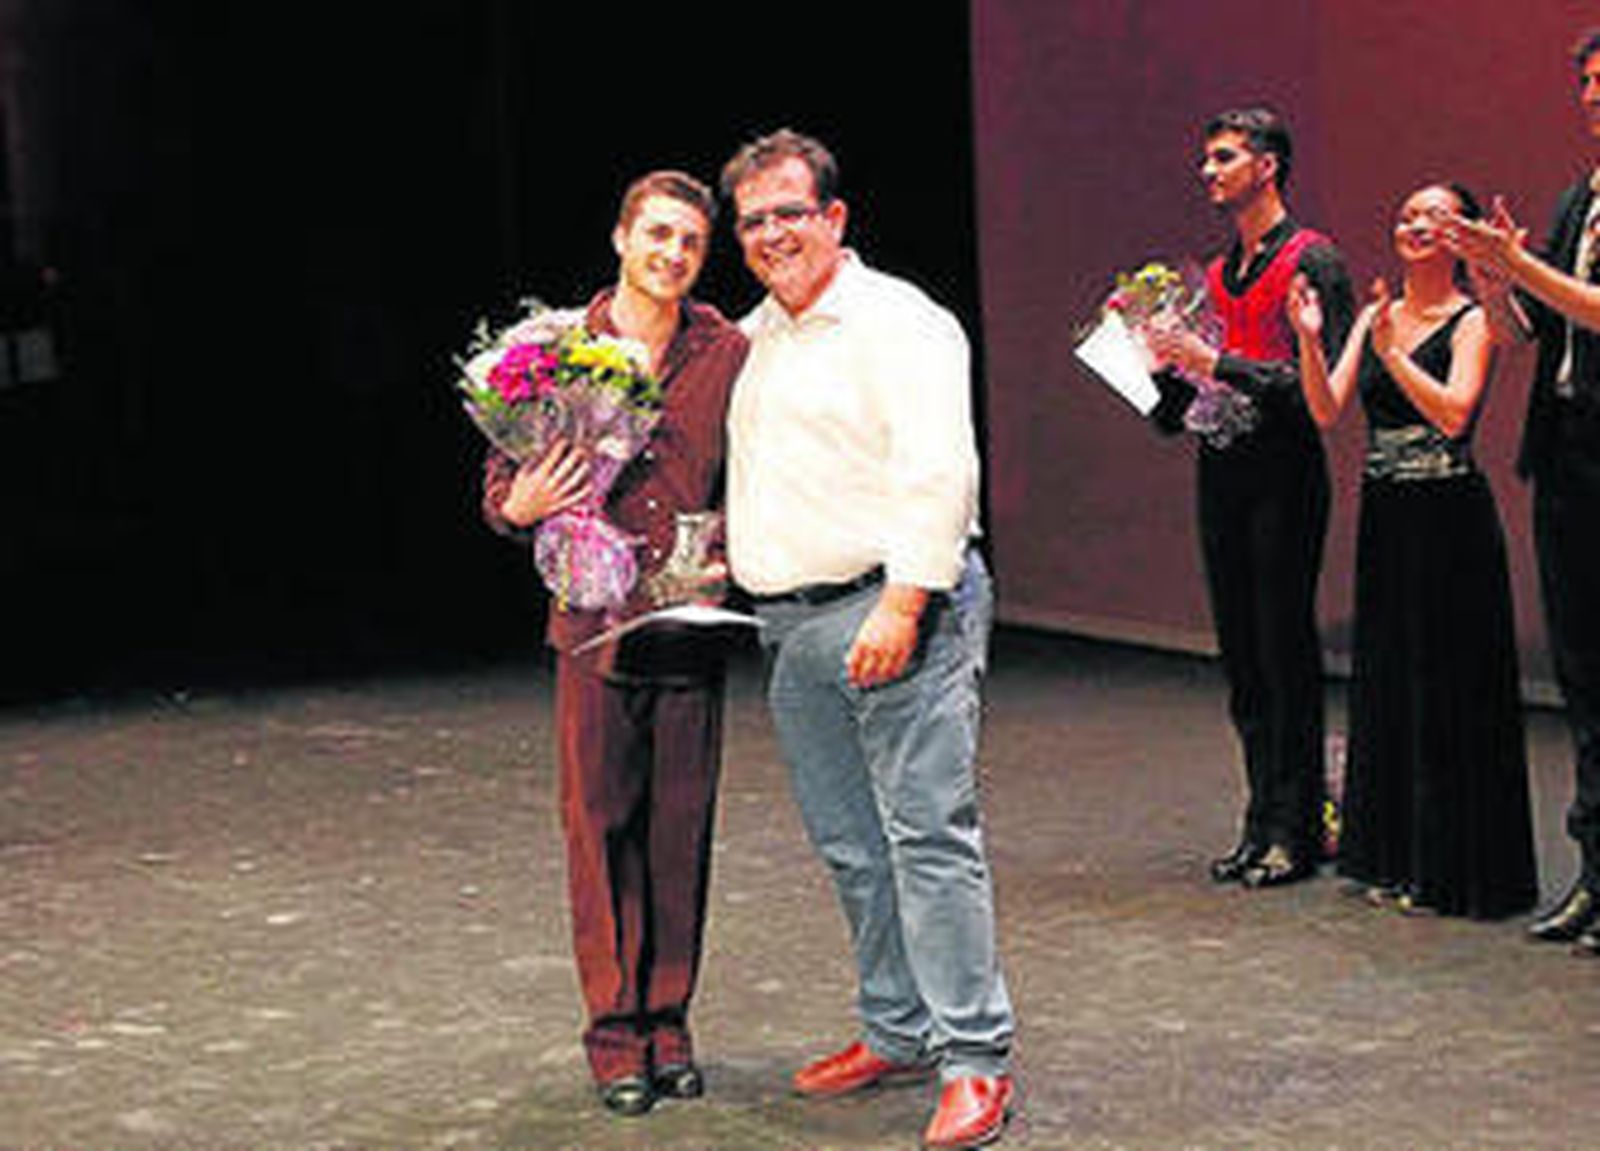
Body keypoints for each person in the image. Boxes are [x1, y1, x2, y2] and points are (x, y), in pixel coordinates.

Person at [720, 129, 1016, 1150]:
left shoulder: (901, 322)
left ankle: (975, 1057)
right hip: (789, 625)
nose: (770, 235)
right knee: (852, 845)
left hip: (894, 610)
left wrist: (903, 601)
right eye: (753, 220)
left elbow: (939, 468)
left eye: (789, 213)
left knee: (928, 835)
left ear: (835, 218)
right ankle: (896, 1026)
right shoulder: (750, 339)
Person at [480, 170, 748, 1113]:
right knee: (599, 829)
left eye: (690, 243)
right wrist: (517, 506)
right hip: (590, 622)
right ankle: (614, 1034)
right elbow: (502, 486)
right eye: (658, 235)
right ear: (622, 237)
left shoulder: (727, 349)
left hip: (687, 615)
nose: (672, 255)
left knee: (680, 828)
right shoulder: (555, 349)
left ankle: (668, 1019)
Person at [1288, 182, 1539, 918]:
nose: (1414, 224)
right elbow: (1328, 408)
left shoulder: (1470, 319)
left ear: (1459, 233)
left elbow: (1456, 414)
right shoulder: (1374, 313)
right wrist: (1308, 337)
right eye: (1405, 215)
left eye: (1432, 214)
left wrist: (1395, 357)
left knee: (1450, 683)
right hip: (1387, 516)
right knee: (1391, 678)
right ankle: (1394, 854)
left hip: (1449, 517)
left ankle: (1452, 866)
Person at [1145, 108, 1356, 888]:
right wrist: (1149, 365)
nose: (1209, 170)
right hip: (1223, 469)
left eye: (1224, 157)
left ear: (1267, 166)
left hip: (1286, 474)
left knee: (1283, 649)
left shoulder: (1314, 260)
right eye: (1206, 157)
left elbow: (1321, 392)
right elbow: (1176, 417)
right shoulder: (1214, 270)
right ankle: (1259, 816)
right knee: (1242, 657)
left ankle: (1296, 827)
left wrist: (1217, 359)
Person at [1446, 27, 1600, 954]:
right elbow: (1527, 327)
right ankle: (1594, 873)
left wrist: (1525, 268)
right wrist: (1492, 282)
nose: (1592, 93)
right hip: (1571, 455)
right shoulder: (1578, 198)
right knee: (1583, 677)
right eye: (1585, 78)